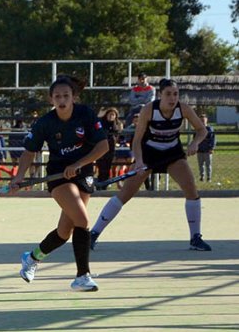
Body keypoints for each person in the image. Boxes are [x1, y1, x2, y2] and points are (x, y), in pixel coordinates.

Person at [89, 79, 212, 251]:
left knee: (191, 190)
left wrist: (195, 143)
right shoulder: (149, 110)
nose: (172, 98)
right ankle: (93, 234)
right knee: (124, 194)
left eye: (175, 94)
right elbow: (137, 139)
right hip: (148, 154)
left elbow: (202, 130)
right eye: (168, 94)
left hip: (173, 154)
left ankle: (195, 237)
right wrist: (139, 161)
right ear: (161, 95)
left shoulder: (183, 109)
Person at [11, 75, 109, 292]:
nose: (62, 100)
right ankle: (82, 276)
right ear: (51, 99)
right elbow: (29, 151)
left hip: (84, 173)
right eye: (57, 96)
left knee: (65, 231)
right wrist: (19, 177)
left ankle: (32, 258)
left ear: (74, 97)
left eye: (66, 95)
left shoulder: (85, 114)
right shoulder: (45, 122)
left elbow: (103, 146)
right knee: (82, 220)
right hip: (58, 176)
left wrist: (79, 163)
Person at [96, 108, 123, 182]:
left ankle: (105, 183)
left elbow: (118, 133)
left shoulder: (117, 124)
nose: (111, 116)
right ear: (106, 115)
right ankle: (100, 182)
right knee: (101, 165)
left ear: (115, 116)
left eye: (113, 115)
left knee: (108, 165)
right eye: (109, 114)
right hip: (100, 146)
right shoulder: (101, 122)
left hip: (111, 148)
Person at [196, 113, 215, 182]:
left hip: (207, 150)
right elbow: (195, 139)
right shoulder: (197, 129)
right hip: (200, 150)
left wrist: (212, 148)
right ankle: (202, 177)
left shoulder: (209, 129)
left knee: (208, 165)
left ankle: (209, 177)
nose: (202, 121)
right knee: (200, 165)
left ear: (206, 120)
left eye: (204, 120)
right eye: (201, 120)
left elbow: (213, 139)